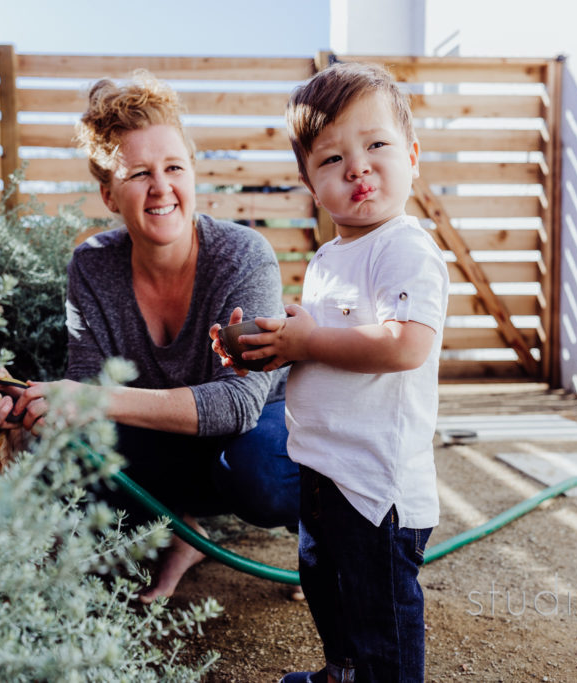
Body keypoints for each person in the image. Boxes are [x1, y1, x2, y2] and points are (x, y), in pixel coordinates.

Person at [0, 70, 300, 604]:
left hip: (265, 424)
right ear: (109, 193)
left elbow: (241, 405)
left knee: (260, 474)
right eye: (138, 174)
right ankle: (185, 532)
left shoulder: (242, 255)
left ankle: (322, 540)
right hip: (177, 438)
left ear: (193, 173)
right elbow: (86, 382)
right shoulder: (91, 265)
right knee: (79, 459)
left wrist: (90, 398)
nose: (161, 188)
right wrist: (30, 406)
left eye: (174, 167)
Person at [214, 61, 449, 682]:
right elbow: (319, 339)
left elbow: (403, 345)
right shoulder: (329, 257)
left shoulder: (405, 246)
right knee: (327, 586)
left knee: (380, 615)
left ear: (413, 155)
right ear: (309, 184)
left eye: (376, 145)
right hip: (322, 472)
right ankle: (339, 672)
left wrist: (310, 337)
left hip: (376, 485)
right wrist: (267, 343)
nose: (358, 167)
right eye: (330, 159)